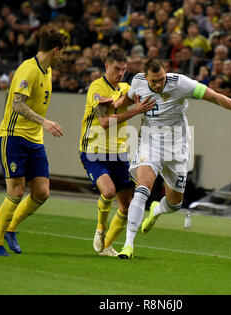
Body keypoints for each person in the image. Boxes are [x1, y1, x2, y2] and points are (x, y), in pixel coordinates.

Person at [113, 59, 231, 259]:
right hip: (149, 144)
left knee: (175, 204)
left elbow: (215, 97)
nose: (158, 85)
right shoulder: (138, 82)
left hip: (177, 147)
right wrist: (114, 105)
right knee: (142, 189)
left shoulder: (181, 83)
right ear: (146, 76)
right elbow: (127, 100)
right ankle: (128, 245)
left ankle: (157, 210)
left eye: (161, 80)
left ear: (166, 71)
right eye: (153, 82)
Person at [0, 29, 68, 256]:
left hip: (35, 140)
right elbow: (17, 104)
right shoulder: (28, 69)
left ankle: (10, 229)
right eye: (61, 52)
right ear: (55, 50)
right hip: (13, 136)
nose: (62, 56)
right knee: (16, 189)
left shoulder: (48, 70)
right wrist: (44, 122)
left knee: (42, 192)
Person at [79, 49, 156, 257]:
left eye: (124, 69)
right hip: (94, 151)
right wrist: (135, 111)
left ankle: (106, 246)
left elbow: (138, 99)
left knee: (127, 205)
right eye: (116, 69)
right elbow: (104, 122)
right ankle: (100, 229)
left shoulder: (125, 88)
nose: (120, 73)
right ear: (106, 66)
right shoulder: (97, 88)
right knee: (109, 192)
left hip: (119, 155)